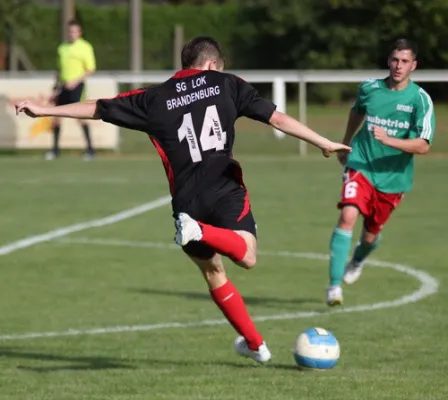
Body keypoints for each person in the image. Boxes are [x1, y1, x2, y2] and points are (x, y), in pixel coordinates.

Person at [16, 36, 351, 363]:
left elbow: (98, 109)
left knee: (213, 273)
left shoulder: (155, 97)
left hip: (186, 201)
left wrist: (45, 109)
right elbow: (277, 118)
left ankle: (255, 344)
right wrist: (323, 141)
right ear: (211, 64)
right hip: (224, 188)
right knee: (247, 256)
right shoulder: (226, 84)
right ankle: (203, 237)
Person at [326, 38, 435, 306]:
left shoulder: (420, 100)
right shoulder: (369, 88)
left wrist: (389, 140)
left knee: (370, 235)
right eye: (395, 60)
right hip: (361, 164)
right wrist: (346, 143)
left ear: (414, 65)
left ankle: (359, 258)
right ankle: (334, 286)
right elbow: (356, 112)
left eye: (405, 61)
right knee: (347, 215)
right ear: (388, 61)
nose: (399, 66)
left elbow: (423, 145)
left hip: (393, 178)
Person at [47, 19, 96, 161]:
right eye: (70, 31)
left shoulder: (85, 47)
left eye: (74, 31)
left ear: (80, 33)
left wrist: (75, 81)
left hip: (77, 87)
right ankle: (55, 150)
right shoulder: (62, 48)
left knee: (81, 117)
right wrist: (56, 87)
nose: (72, 34)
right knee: (56, 117)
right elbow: (59, 70)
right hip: (63, 87)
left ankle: (90, 149)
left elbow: (90, 69)